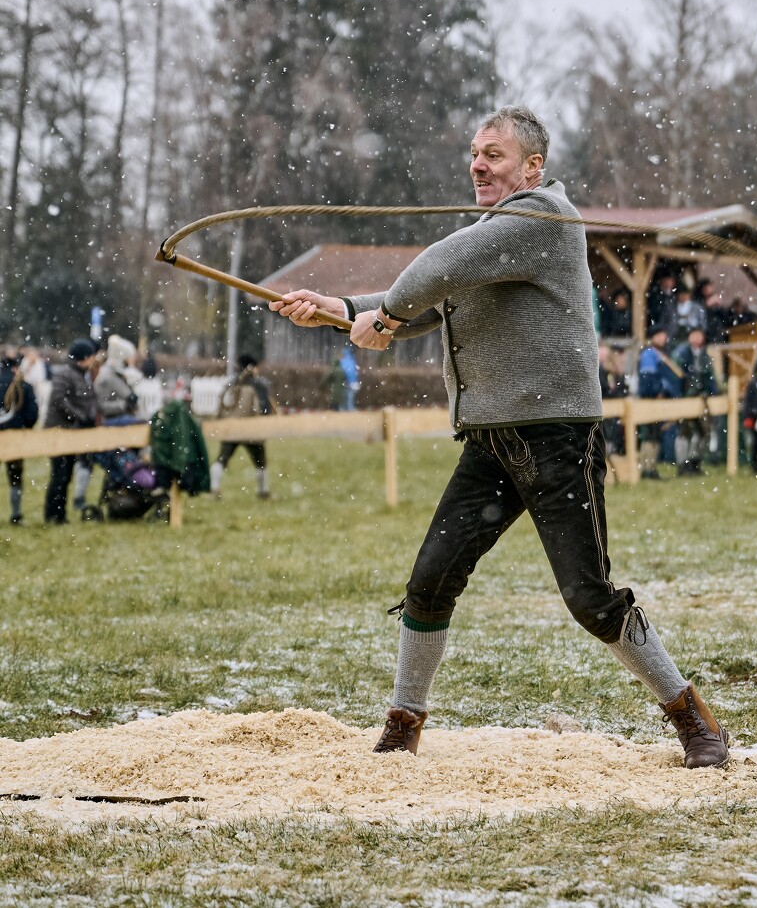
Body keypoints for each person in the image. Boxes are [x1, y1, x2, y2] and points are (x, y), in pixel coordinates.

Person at [269, 105, 729, 768]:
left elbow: (435, 269)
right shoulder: (498, 233)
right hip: (490, 440)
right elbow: (436, 299)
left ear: (533, 168)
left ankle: (693, 719)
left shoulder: (541, 216)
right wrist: (339, 311)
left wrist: (384, 314)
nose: (477, 164)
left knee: (589, 598)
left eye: (494, 155)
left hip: (557, 437)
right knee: (430, 582)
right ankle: (405, 721)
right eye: (475, 153)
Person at [43, 339, 100, 525]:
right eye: (91, 356)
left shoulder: (83, 374)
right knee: (59, 475)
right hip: (59, 431)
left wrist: (90, 415)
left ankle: (60, 514)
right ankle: (52, 514)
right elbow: (59, 400)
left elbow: (90, 398)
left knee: (66, 475)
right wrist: (79, 416)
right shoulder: (64, 373)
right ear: (83, 358)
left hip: (72, 432)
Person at [212, 355, 274, 500]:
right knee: (260, 462)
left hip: (231, 428)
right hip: (251, 429)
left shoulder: (231, 384)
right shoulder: (258, 385)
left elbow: (222, 406)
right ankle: (262, 491)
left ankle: (214, 488)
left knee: (222, 459)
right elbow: (264, 409)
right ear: (252, 368)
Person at [636, 326, 682, 480]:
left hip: (658, 398)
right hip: (651, 399)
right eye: (659, 335)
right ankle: (647, 469)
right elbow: (647, 379)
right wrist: (659, 391)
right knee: (650, 435)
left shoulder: (660, 354)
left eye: (664, 335)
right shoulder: (649, 354)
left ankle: (650, 468)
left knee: (654, 435)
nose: (663, 338)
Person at [671, 327, 718, 475]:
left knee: (702, 431)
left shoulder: (705, 356)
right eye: (695, 335)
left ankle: (694, 462)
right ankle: (682, 465)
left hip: (701, 399)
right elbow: (676, 377)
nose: (697, 338)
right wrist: (678, 397)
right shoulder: (681, 354)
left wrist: (712, 392)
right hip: (685, 398)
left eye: (700, 335)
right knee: (684, 432)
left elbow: (710, 377)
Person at [2, 349, 40, 524]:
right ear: (17, 367)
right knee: (15, 477)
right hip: (15, 436)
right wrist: (25, 427)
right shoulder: (23, 385)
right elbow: (32, 414)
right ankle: (15, 514)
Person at [95, 335, 144, 427]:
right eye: (129, 357)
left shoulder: (118, 374)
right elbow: (101, 405)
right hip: (112, 421)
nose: (132, 360)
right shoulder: (107, 376)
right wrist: (125, 405)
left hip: (120, 419)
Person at [596, 343, 629, 459]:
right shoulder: (603, 371)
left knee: (614, 434)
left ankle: (613, 455)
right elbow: (607, 390)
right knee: (608, 434)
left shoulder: (618, 373)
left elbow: (620, 389)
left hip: (616, 409)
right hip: (607, 409)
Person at [337, 344, 361, 411]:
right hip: (351, 382)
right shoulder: (351, 360)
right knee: (349, 396)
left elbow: (347, 372)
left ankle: (346, 408)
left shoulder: (344, 361)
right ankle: (349, 408)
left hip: (347, 382)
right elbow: (353, 372)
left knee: (347, 396)